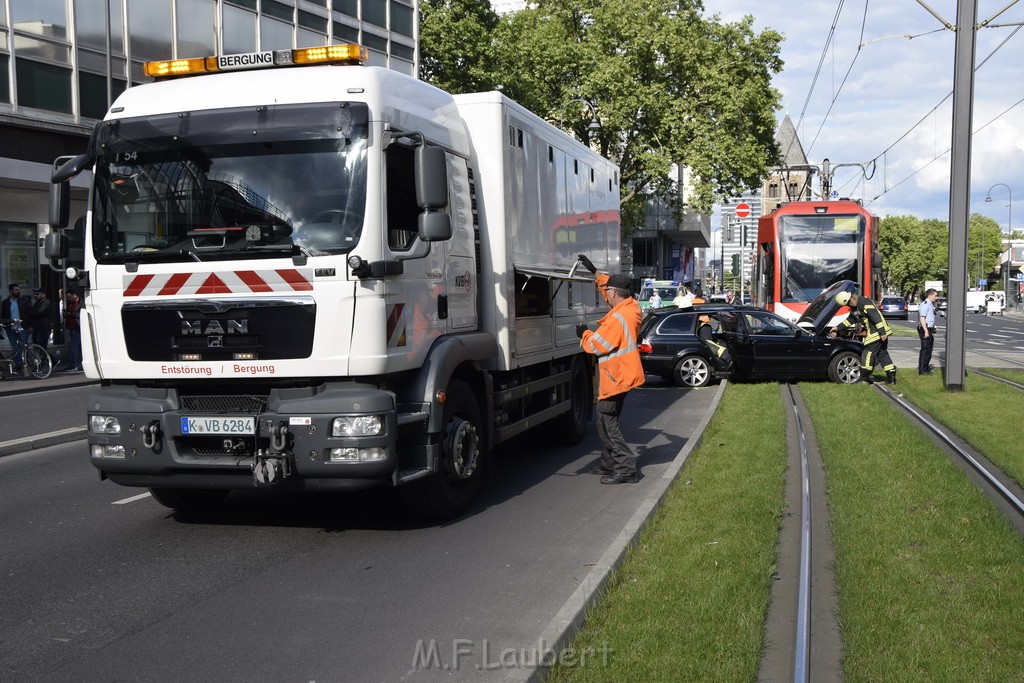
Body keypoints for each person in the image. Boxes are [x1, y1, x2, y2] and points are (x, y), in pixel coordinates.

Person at [575, 254, 645, 484]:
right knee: (606, 419)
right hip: (623, 375)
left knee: (606, 421)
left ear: (614, 294)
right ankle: (609, 463)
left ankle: (625, 468)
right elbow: (610, 286)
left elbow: (596, 345)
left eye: (608, 292)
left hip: (616, 377)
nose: (606, 295)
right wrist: (595, 272)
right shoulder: (631, 307)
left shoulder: (618, 318)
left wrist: (584, 333)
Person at [831, 289, 897, 384]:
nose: (848, 306)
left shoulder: (864, 302)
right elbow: (851, 319)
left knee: (867, 353)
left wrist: (882, 333)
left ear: (851, 299)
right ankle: (891, 379)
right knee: (882, 355)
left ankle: (864, 378)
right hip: (877, 332)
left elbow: (876, 318)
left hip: (877, 332)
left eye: (848, 304)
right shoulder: (855, 306)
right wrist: (837, 328)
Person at [1, 283, 31, 371]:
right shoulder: (5, 303)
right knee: (14, 347)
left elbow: (29, 314)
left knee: (22, 345)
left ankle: (24, 364)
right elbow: (3, 316)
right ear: (11, 291)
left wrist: (30, 326)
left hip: (22, 327)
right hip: (11, 328)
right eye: (16, 290)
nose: (18, 291)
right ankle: (18, 365)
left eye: (19, 290)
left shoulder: (24, 301)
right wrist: (6, 325)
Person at [917, 289, 938, 375]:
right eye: (935, 295)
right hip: (925, 329)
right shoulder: (925, 304)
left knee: (929, 349)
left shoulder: (930, 304)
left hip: (929, 328)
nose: (936, 297)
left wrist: (934, 326)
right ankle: (922, 370)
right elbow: (922, 318)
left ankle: (926, 367)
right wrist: (926, 331)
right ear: (930, 295)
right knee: (925, 349)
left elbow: (929, 317)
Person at [63, 289, 83, 372]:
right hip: (72, 327)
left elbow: (82, 314)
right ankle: (80, 364)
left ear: (74, 295)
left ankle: (73, 365)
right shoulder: (71, 304)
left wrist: (70, 314)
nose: (68, 299)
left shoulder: (81, 303)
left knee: (73, 347)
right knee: (79, 347)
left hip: (77, 327)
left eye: (69, 297)